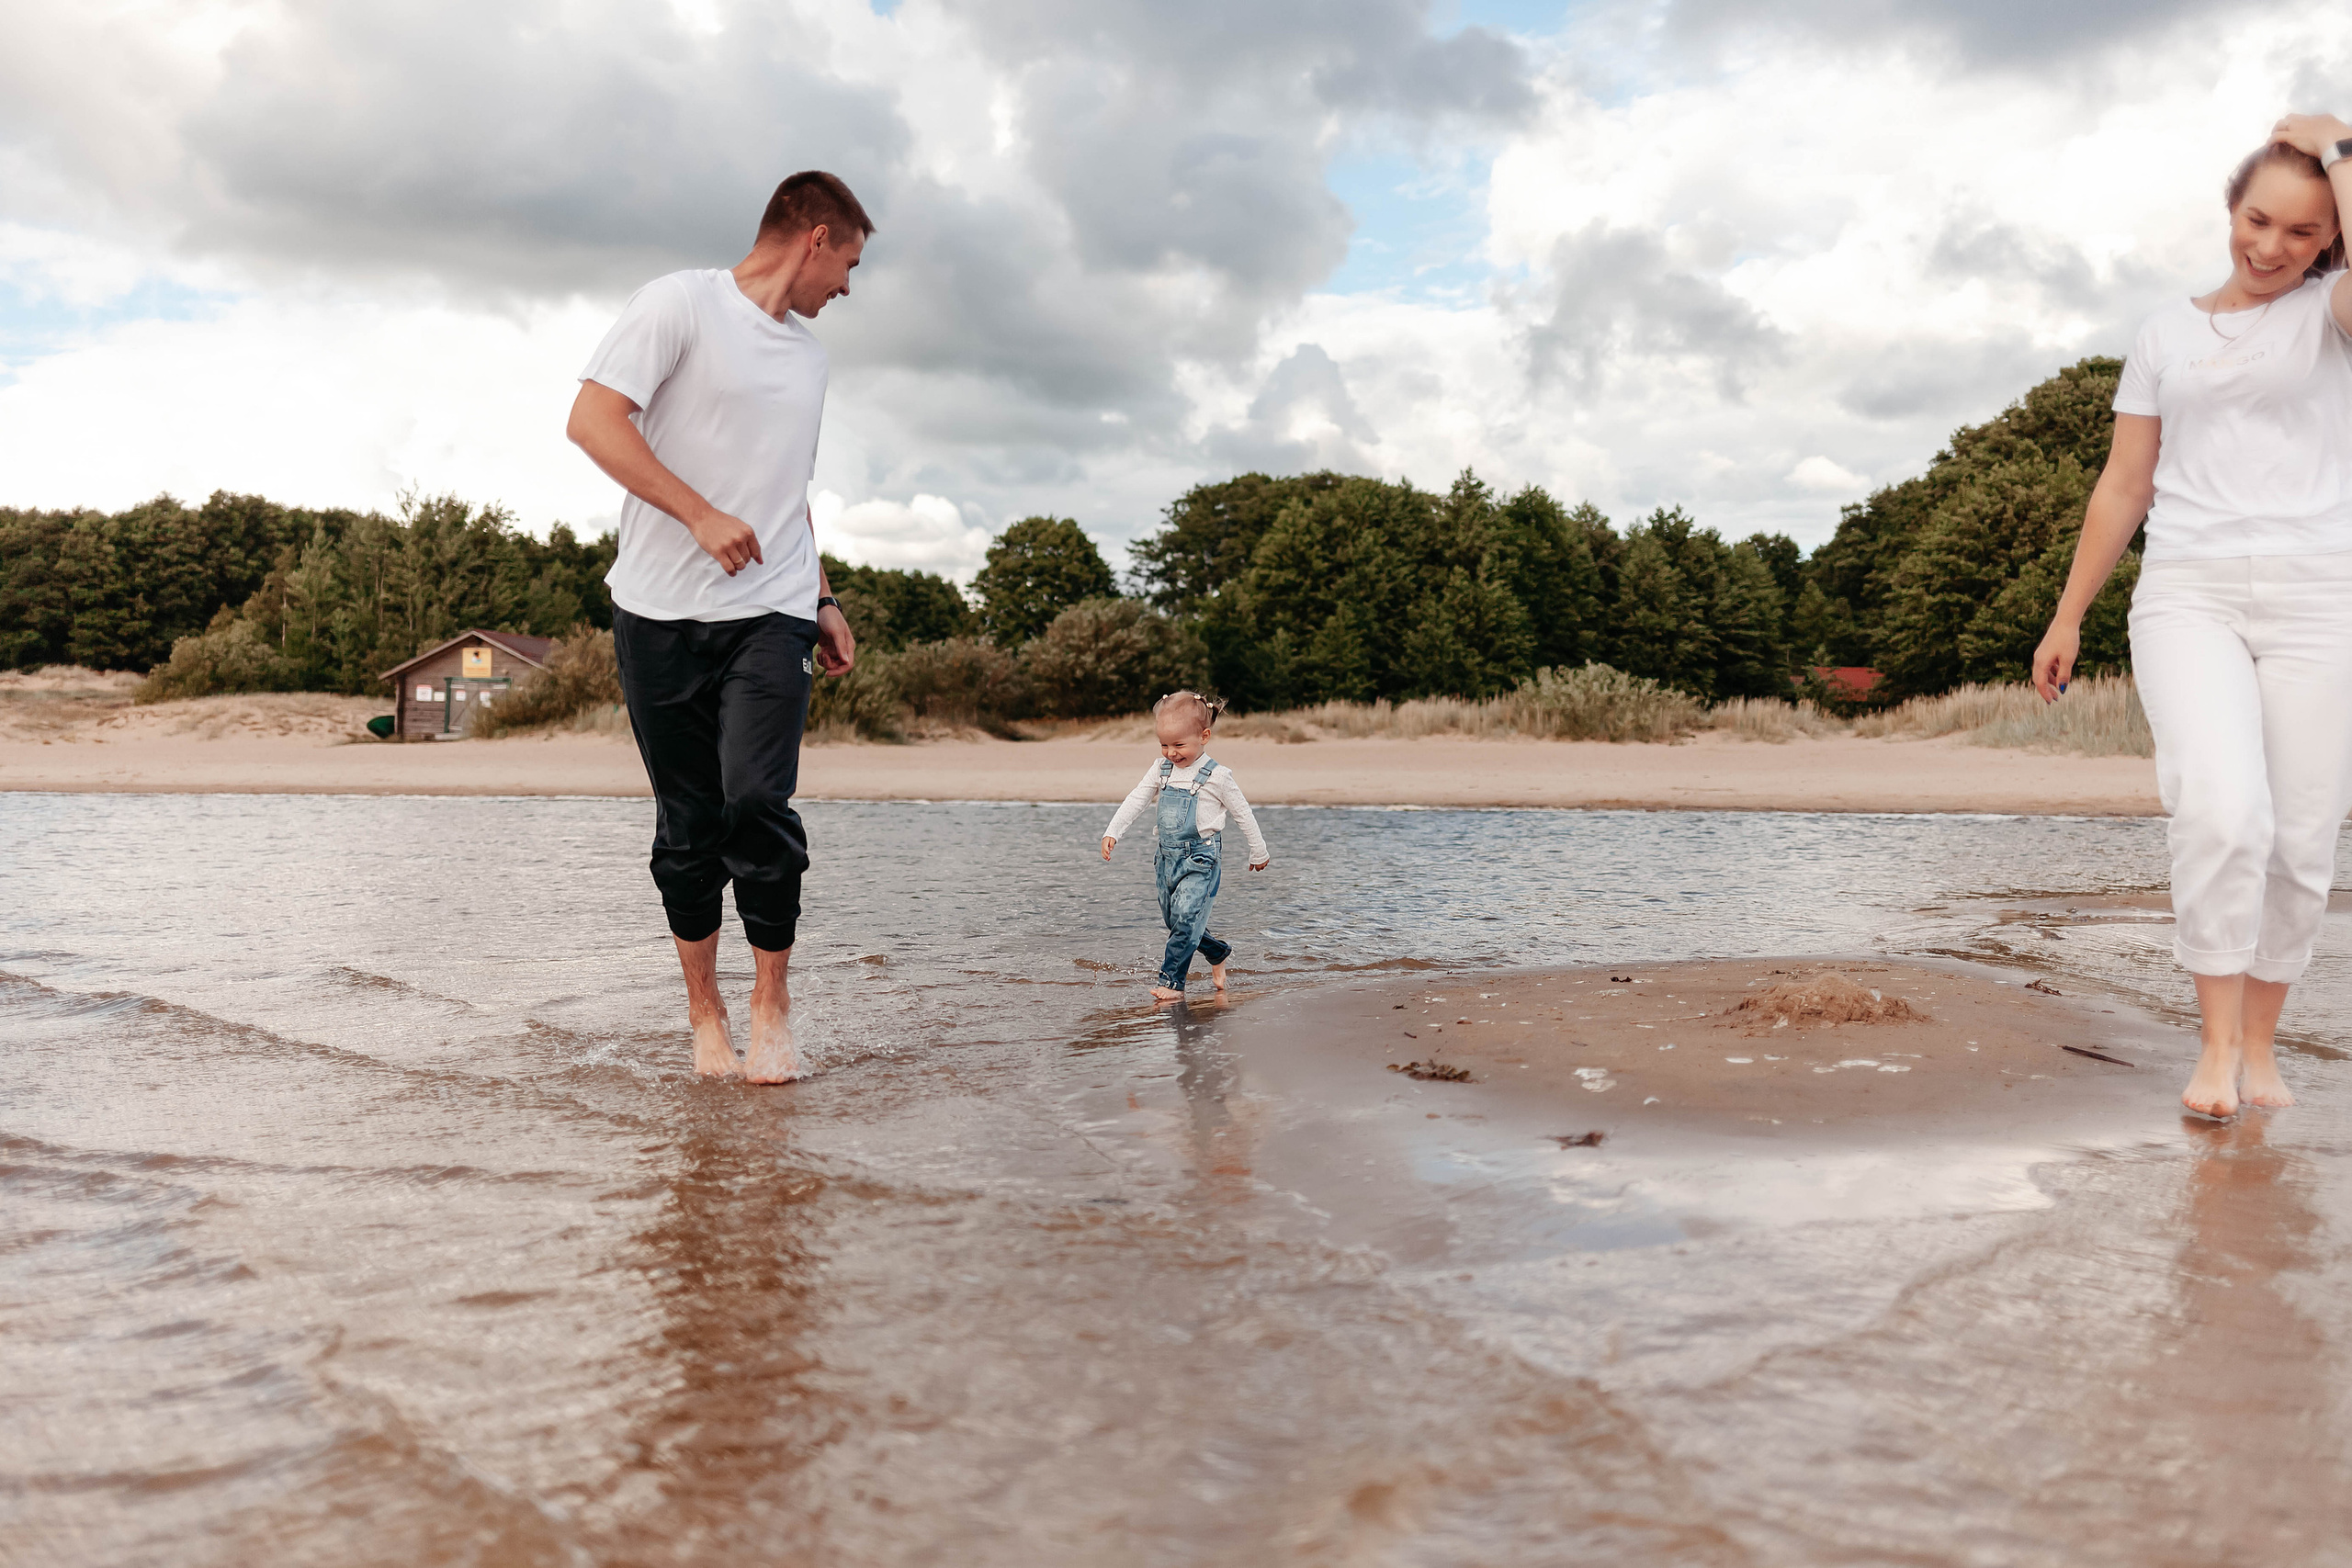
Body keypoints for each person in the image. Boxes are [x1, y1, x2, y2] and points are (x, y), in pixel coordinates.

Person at [2031, 113, 2352, 1120]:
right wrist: (2068, 615)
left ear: (2330, 239)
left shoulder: (2331, 313)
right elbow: (2125, 484)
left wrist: (2342, 149)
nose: (2271, 247)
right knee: (2222, 808)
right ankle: (2214, 1050)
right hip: (2188, 592)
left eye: (2301, 231)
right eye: (2258, 220)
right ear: (2230, 208)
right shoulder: (2162, 333)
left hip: (2321, 595)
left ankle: (2261, 1049)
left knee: (2302, 835)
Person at [564, 171, 872, 1083]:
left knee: (756, 804)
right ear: (815, 237)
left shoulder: (810, 361)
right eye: (849, 264)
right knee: (690, 824)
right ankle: (705, 1014)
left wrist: (821, 597)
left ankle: (771, 1001)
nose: (847, 287)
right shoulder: (679, 305)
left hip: (771, 610)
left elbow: (788, 493)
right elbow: (591, 421)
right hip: (656, 611)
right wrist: (698, 514)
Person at [1100, 692, 1272, 1001]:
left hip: (1201, 859)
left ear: (1204, 736)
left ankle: (1172, 983)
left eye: (1179, 745)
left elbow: (1242, 813)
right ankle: (1217, 952)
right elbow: (1137, 798)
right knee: (1175, 921)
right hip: (1166, 859)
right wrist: (1113, 831)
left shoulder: (1218, 776)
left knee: (1186, 920)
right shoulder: (1160, 769)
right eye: (1164, 745)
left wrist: (1258, 849)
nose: (1171, 753)